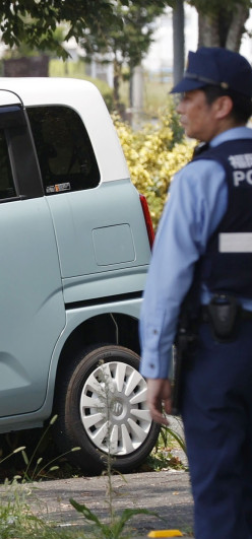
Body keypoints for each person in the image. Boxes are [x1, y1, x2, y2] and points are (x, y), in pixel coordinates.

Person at [141, 47, 252, 539]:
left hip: (220, 356)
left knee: (220, 492)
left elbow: (167, 282)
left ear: (222, 104)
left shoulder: (199, 178)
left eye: (189, 95)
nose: (181, 105)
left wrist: (156, 368)